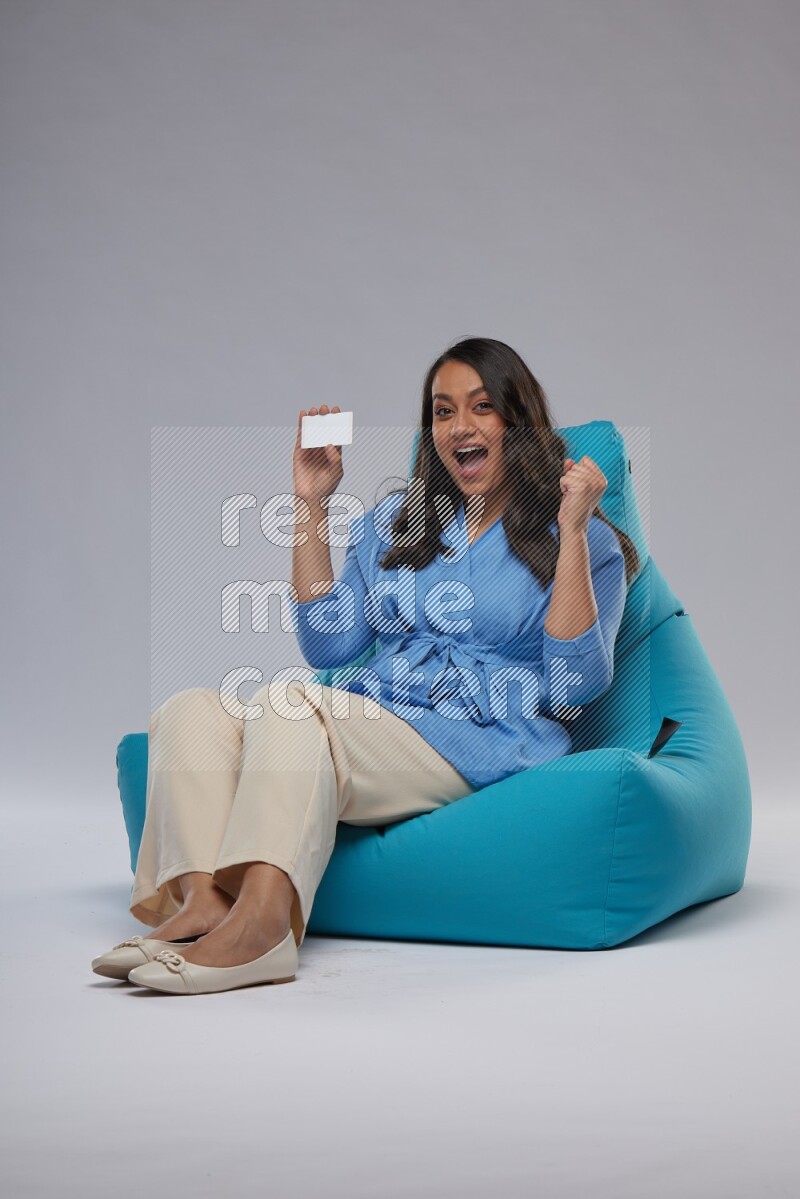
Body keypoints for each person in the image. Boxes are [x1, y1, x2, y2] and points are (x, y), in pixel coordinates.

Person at [91, 336, 639, 994]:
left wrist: (574, 530)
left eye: (482, 407)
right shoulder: (396, 522)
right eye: (442, 411)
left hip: (483, 738)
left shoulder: (581, 537)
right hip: (375, 719)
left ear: (516, 422)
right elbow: (327, 645)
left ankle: (262, 929)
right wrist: (311, 501)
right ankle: (203, 901)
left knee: (290, 706)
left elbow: (575, 682)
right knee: (190, 712)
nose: (459, 426)